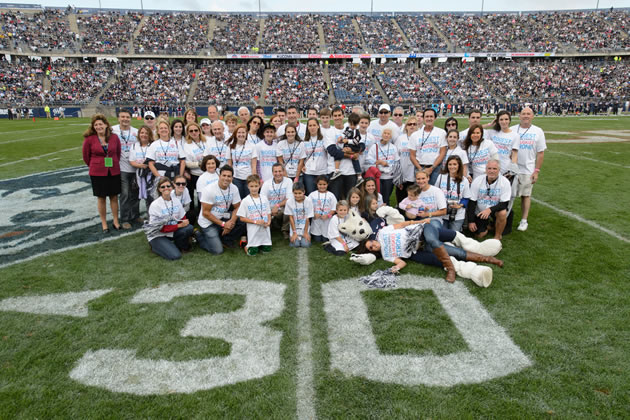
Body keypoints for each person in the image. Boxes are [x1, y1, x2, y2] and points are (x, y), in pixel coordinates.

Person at [357, 219, 502, 283]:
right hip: (419, 247)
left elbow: (402, 224)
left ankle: (451, 269)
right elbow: (401, 262)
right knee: (456, 253)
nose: (374, 245)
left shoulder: (383, 232)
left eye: (372, 243)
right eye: (371, 248)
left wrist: (420, 222)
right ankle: (488, 259)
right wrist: (395, 268)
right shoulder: (386, 255)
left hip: (422, 231)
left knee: (433, 241)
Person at [82, 114, 122, 233]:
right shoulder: (89, 139)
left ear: (106, 125)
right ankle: (104, 223)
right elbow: (86, 157)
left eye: (100, 124)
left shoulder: (114, 137)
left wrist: (113, 164)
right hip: (98, 173)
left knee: (114, 196)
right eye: (96, 125)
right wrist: (97, 165)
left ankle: (115, 221)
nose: (99, 126)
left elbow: (118, 153)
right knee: (101, 198)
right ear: (93, 127)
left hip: (113, 170)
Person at [196, 165, 247, 254]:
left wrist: (231, 222)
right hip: (208, 222)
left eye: (229, 176)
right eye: (224, 175)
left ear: (232, 178)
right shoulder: (209, 190)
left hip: (223, 217)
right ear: (219, 176)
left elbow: (237, 207)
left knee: (242, 219)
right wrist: (224, 224)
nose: (226, 178)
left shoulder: (234, 188)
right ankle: (198, 235)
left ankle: (226, 239)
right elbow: (206, 213)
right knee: (217, 251)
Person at [511, 106, 547, 232]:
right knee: (508, 195)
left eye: (528, 114)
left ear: (532, 116)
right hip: (512, 168)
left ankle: (523, 220)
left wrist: (536, 171)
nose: (526, 116)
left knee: (525, 195)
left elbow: (540, 153)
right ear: (519, 115)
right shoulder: (512, 129)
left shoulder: (538, 131)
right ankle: (505, 218)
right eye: (523, 113)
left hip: (527, 169)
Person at [146, 177, 193, 260]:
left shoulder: (176, 201)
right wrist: (179, 226)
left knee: (188, 228)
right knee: (175, 256)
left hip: (171, 231)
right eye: (163, 187)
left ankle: (177, 245)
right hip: (158, 234)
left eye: (168, 186)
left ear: (172, 187)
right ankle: (155, 246)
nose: (166, 188)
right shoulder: (155, 205)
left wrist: (184, 222)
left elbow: (183, 218)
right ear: (159, 189)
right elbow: (161, 229)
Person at [467, 159, 511, 240]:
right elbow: (472, 202)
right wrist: (471, 221)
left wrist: (489, 210)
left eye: (494, 169)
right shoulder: (478, 180)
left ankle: (497, 236)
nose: (491, 171)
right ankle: (489, 226)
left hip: (495, 210)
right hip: (480, 212)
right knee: (479, 235)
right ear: (486, 170)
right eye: (489, 168)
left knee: (502, 213)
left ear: (499, 170)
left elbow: (504, 204)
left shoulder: (505, 182)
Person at [326, 107, 362, 200]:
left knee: (350, 200)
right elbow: (333, 152)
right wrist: (351, 155)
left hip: (350, 171)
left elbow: (360, 143)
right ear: (331, 117)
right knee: (336, 200)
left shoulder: (350, 127)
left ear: (343, 116)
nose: (337, 118)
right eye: (335, 116)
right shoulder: (329, 132)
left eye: (339, 115)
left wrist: (354, 151)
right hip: (334, 171)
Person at [111, 108, 139, 229]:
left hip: (135, 167)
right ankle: (125, 219)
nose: (125, 119)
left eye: (127, 117)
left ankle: (135, 215)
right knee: (125, 194)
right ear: (118, 118)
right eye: (122, 117)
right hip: (122, 168)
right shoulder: (113, 130)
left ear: (130, 118)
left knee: (136, 193)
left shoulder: (136, 132)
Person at [409, 108, 447, 186]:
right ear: (423, 118)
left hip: (436, 168)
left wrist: (432, 168)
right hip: (420, 167)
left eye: (431, 116)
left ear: (435, 118)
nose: (429, 118)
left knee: (435, 191)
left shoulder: (441, 132)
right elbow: (412, 155)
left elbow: (442, 152)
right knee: (419, 192)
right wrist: (420, 169)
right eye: (427, 116)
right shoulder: (415, 135)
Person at [237, 174, 272, 256]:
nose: (254, 188)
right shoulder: (245, 201)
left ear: (259, 185)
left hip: (265, 231)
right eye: (251, 186)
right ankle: (244, 245)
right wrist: (255, 222)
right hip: (253, 231)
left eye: (256, 186)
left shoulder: (264, 198)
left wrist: (269, 221)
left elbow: (268, 212)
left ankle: (262, 244)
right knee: (252, 253)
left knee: (267, 251)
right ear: (247, 186)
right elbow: (241, 218)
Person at [179, 121, 207, 221]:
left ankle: (202, 215)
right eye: (191, 131)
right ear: (188, 133)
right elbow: (187, 163)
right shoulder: (187, 145)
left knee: (203, 197)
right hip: (194, 175)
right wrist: (199, 164)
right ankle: (191, 217)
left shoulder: (206, 141)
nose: (194, 132)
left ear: (199, 131)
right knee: (191, 197)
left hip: (206, 174)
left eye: (196, 130)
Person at [435, 156, 471, 232]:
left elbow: (466, 198)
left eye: (455, 164)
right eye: (450, 164)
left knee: (454, 237)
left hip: (457, 214)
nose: (452, 167)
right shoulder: (441, 177)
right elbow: (435, 193)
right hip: (443, 213)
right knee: (442, 235)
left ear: (459, 166)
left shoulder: (464, 180)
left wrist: (459, 205)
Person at [366, 128, 399, 208]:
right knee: (377, 197)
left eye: (388, 134)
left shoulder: (393, 147)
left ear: (391, 136)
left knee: (386, 198)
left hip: (389, 176)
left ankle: (386, 215)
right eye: (385, 133)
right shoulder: (375, 146)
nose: (386, 135)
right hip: (378, 176)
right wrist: (378, 162)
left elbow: (396, 161)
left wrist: (387, 164)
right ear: (382, 134)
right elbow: (368, 159)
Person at [261, 163, 293, 239]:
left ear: (283, 171)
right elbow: (262, 200)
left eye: (280, 171)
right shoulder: (266, 183)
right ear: (272, 173)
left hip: (282, 208)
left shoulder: (288, 181)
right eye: (275, 172)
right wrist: (269, 211)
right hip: (269, 210)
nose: (278, 174)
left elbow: (289, 199)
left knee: (290, 206)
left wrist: (277, 206)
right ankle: (273, 224)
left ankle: (285, 230)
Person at [331, 112, 363, 186]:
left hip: (354, 146)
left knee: (354, 159)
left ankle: (359, 175)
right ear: (349, 122)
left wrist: (348, 140)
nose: (352, 126)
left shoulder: (356, 131)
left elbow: (356, 141)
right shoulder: (348, 128)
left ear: (357, 124)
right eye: (351, 124)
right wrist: (341, 137)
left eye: (354, 125)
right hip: (348, 145)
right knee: (339, 153)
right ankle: (337, 170)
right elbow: (344, 134)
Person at [485, 110, 520, 178]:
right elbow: (473, 129)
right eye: (501, 119)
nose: (504, 122)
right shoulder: (492, 132)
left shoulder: (515, 135)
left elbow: (514, 154)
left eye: (506, 119)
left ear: (509, 120)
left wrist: (512, 169)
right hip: (492, 168)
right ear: (497, 121)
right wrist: (489, 124)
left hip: (506, 169)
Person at [129, 125, 155, 215]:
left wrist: (149, 166)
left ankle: (151, 216)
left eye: (146, 133)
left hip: (151, 174)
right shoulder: (134, 146)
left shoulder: (153, 145)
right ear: (139, 134)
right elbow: (131, 161)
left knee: (151, 196)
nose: (144, 135)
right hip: (139, 175)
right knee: (139, 195)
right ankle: (135, 216)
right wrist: (141, 166)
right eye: (142, 132)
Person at [228, 124, 258, 199]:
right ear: (235, 134)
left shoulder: (252, 146)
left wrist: (254, 179)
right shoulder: (230, 146)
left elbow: (254, 165)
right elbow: (229, 164)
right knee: (238, 199)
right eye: (239, 133)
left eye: (243, 133)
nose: (241, 135)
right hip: (236, 178)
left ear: (246, 134)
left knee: (249, 198)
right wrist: (230, 178)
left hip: (248, 177)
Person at [395, 116, 419, 205]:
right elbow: (396, 157)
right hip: (402, 173)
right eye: (409, 124)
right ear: (406, 126)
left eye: (414, 124)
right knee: (401, 199)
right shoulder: (401, 138)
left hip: (414, 173)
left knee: (413, 199)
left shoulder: (419, 138)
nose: (412, 126)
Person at [302, 117, 328, 195]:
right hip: (309, 172)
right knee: (311, 195)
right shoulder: (304, 141)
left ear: (318, 126)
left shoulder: (324, 139)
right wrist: (303, 165)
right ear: (307, 127)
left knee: (322, 194)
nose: (312, 127)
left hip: (322, 171)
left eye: (314, 125)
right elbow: (302, 157)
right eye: (310, 125)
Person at [285, 182, 314, 248]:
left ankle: (305, 237)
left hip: (305, 228)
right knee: (296, 244)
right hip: (294, 228)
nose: (297, 195)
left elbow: (307, 218)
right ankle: (294, 237)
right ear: (292, 192)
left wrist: (306, 232)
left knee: (305, 245)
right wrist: (294, 233)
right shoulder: (289, 202)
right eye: (295, 193)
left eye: (300, 193)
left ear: (304, 192)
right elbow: (291, 218)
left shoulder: (309, 201)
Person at [309, 175, 337, 242]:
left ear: (327, 184)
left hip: (327, 222)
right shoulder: (312, 195)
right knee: (317, 240)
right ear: (317, 184)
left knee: (325, 239)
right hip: (316, 222)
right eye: (320, 184)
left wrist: (328, 215)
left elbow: (334, 209)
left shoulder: (331, 195)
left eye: (324, 184)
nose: (322, 186)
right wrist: (313, 214)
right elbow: (308, 207)